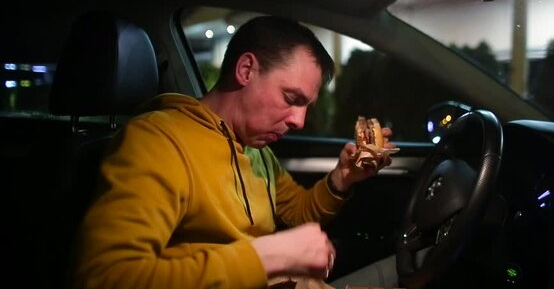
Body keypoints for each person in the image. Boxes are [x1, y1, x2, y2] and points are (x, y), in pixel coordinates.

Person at [71, 15, 396, 289]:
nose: (299, 121)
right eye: (291, 98)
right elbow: (106, 277)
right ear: (246, 70)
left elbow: (298, 211)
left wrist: (343, 178)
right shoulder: (157, 141)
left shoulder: (255, 149)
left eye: (305, 107)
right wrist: (268, 257)